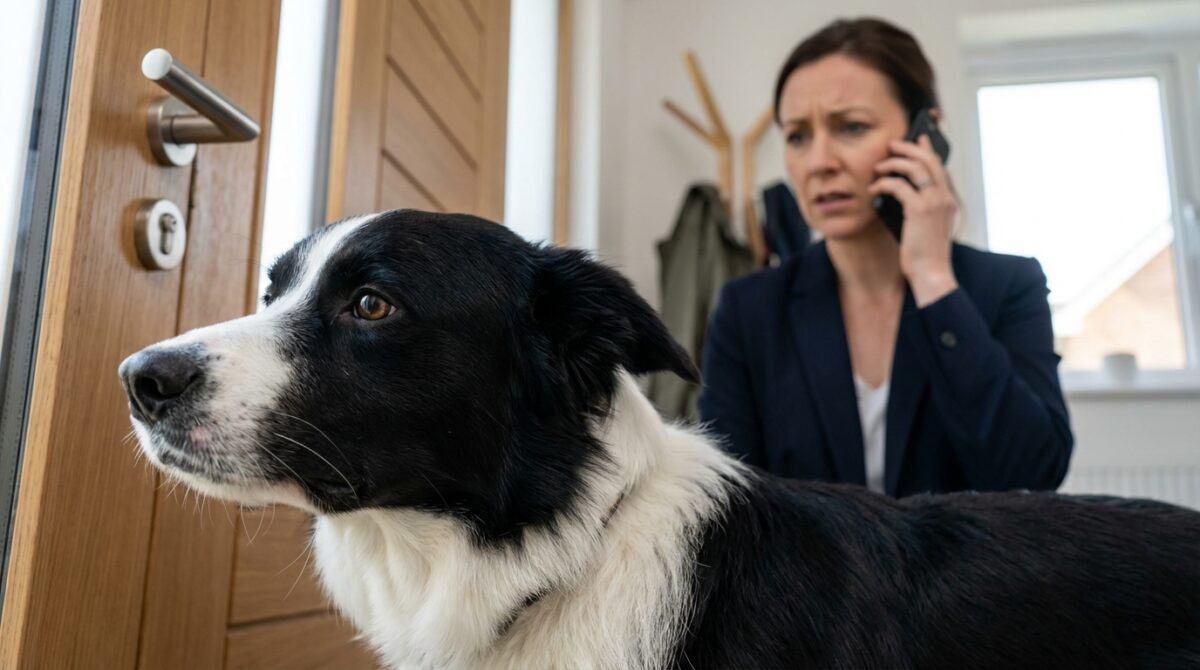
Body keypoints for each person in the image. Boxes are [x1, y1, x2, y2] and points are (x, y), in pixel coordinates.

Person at [697, 17, 1073, 496]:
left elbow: (1032, 474)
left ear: (924, 136)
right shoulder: (748, 310)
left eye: (851, 127)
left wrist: (934, 279)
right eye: (797, 136)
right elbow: (727, 503)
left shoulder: (1007, 286)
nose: (818, 162)